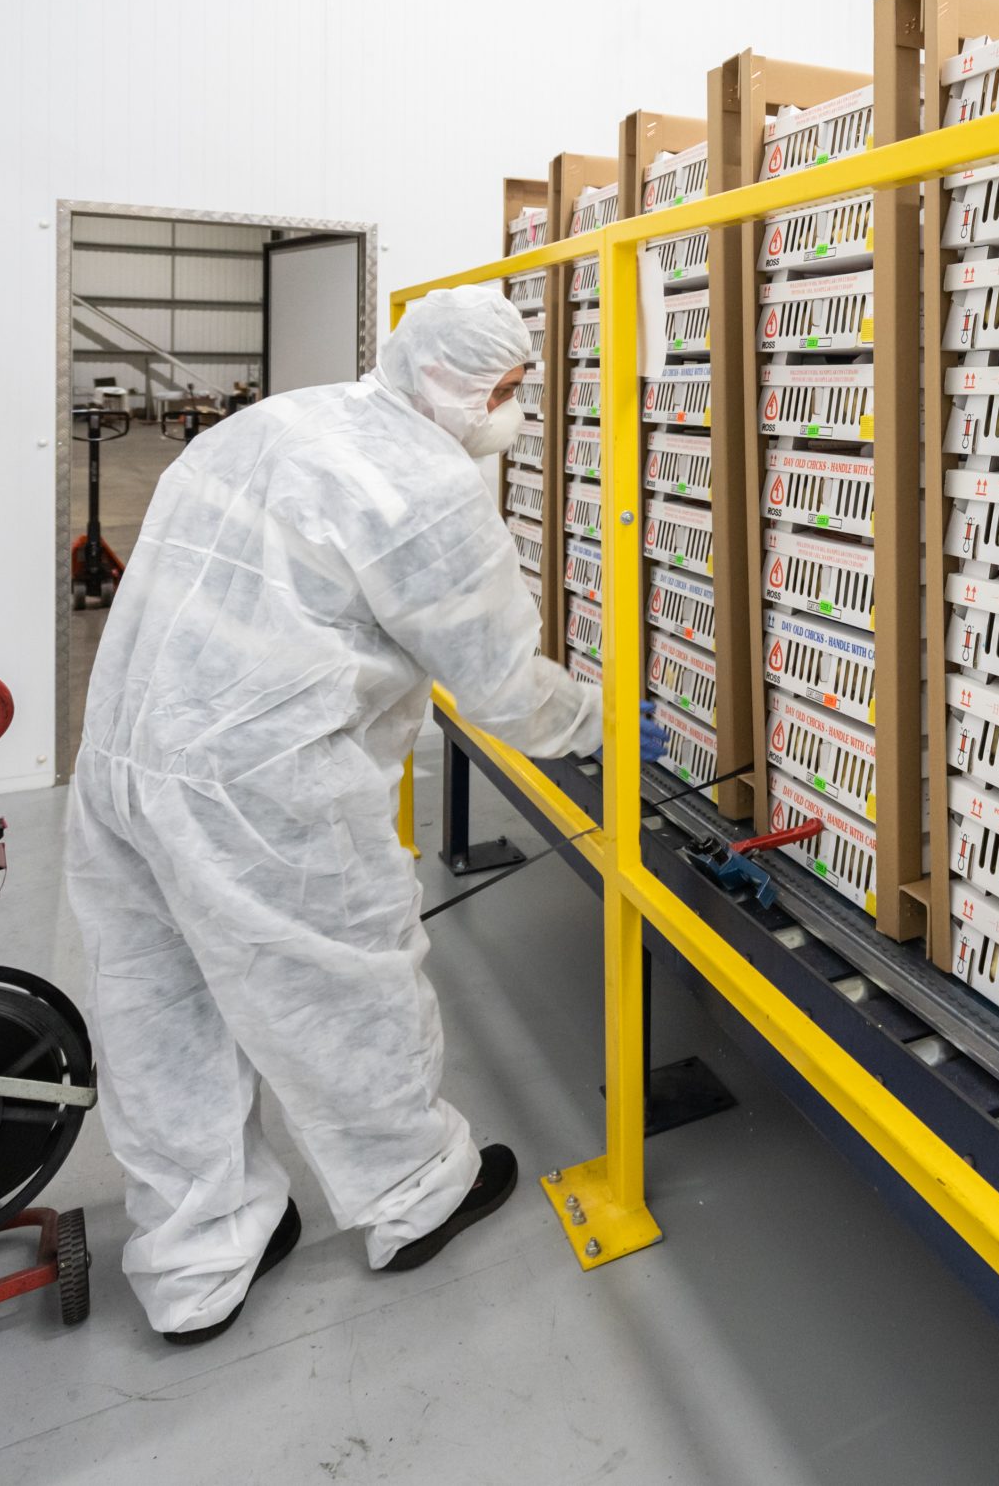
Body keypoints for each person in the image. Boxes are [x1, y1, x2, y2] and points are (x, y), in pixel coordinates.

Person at [63, 285, 667, 1342]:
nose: (513, 411)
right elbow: (494, 684)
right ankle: (417, 1191)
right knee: (340, 985)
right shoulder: (425, 488)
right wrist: (598, 721)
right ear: (460, 382)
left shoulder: (279, 420)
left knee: (160, 1008)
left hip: (124, 756)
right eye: (512, 389)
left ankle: (197, 1260)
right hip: (259, 785)